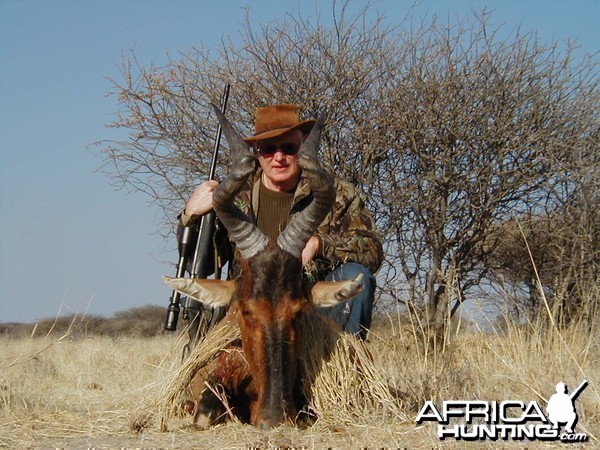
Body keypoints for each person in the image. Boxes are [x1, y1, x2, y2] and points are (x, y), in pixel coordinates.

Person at [179, 104, 383, 340]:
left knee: (357, 276)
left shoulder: (335, 191)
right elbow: (199, 265)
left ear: (303, 144)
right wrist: (190, 216)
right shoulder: (234, 194)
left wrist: (320, 245)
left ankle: (345, 371)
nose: (278, 157)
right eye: (268, 149)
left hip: (307, 308)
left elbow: (372, 250)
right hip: (252, 312)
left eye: (288, 147)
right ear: (256, 150)